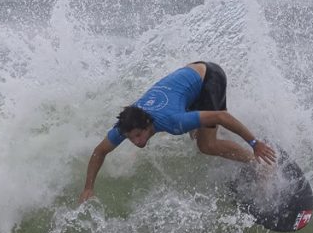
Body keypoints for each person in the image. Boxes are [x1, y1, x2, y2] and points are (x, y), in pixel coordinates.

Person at [78, 61, 276, 204]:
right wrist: (88, 188)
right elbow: (99, 151)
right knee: (196, 133)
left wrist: (254, 143)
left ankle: (257, 163)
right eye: (131, 138)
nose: (136, 142)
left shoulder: (172, 121)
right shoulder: (127, 125)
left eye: (138, 135)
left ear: (148, 124)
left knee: (206, 145)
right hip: (190, 73)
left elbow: (221, 116)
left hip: (209, 78)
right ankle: (228, 140)